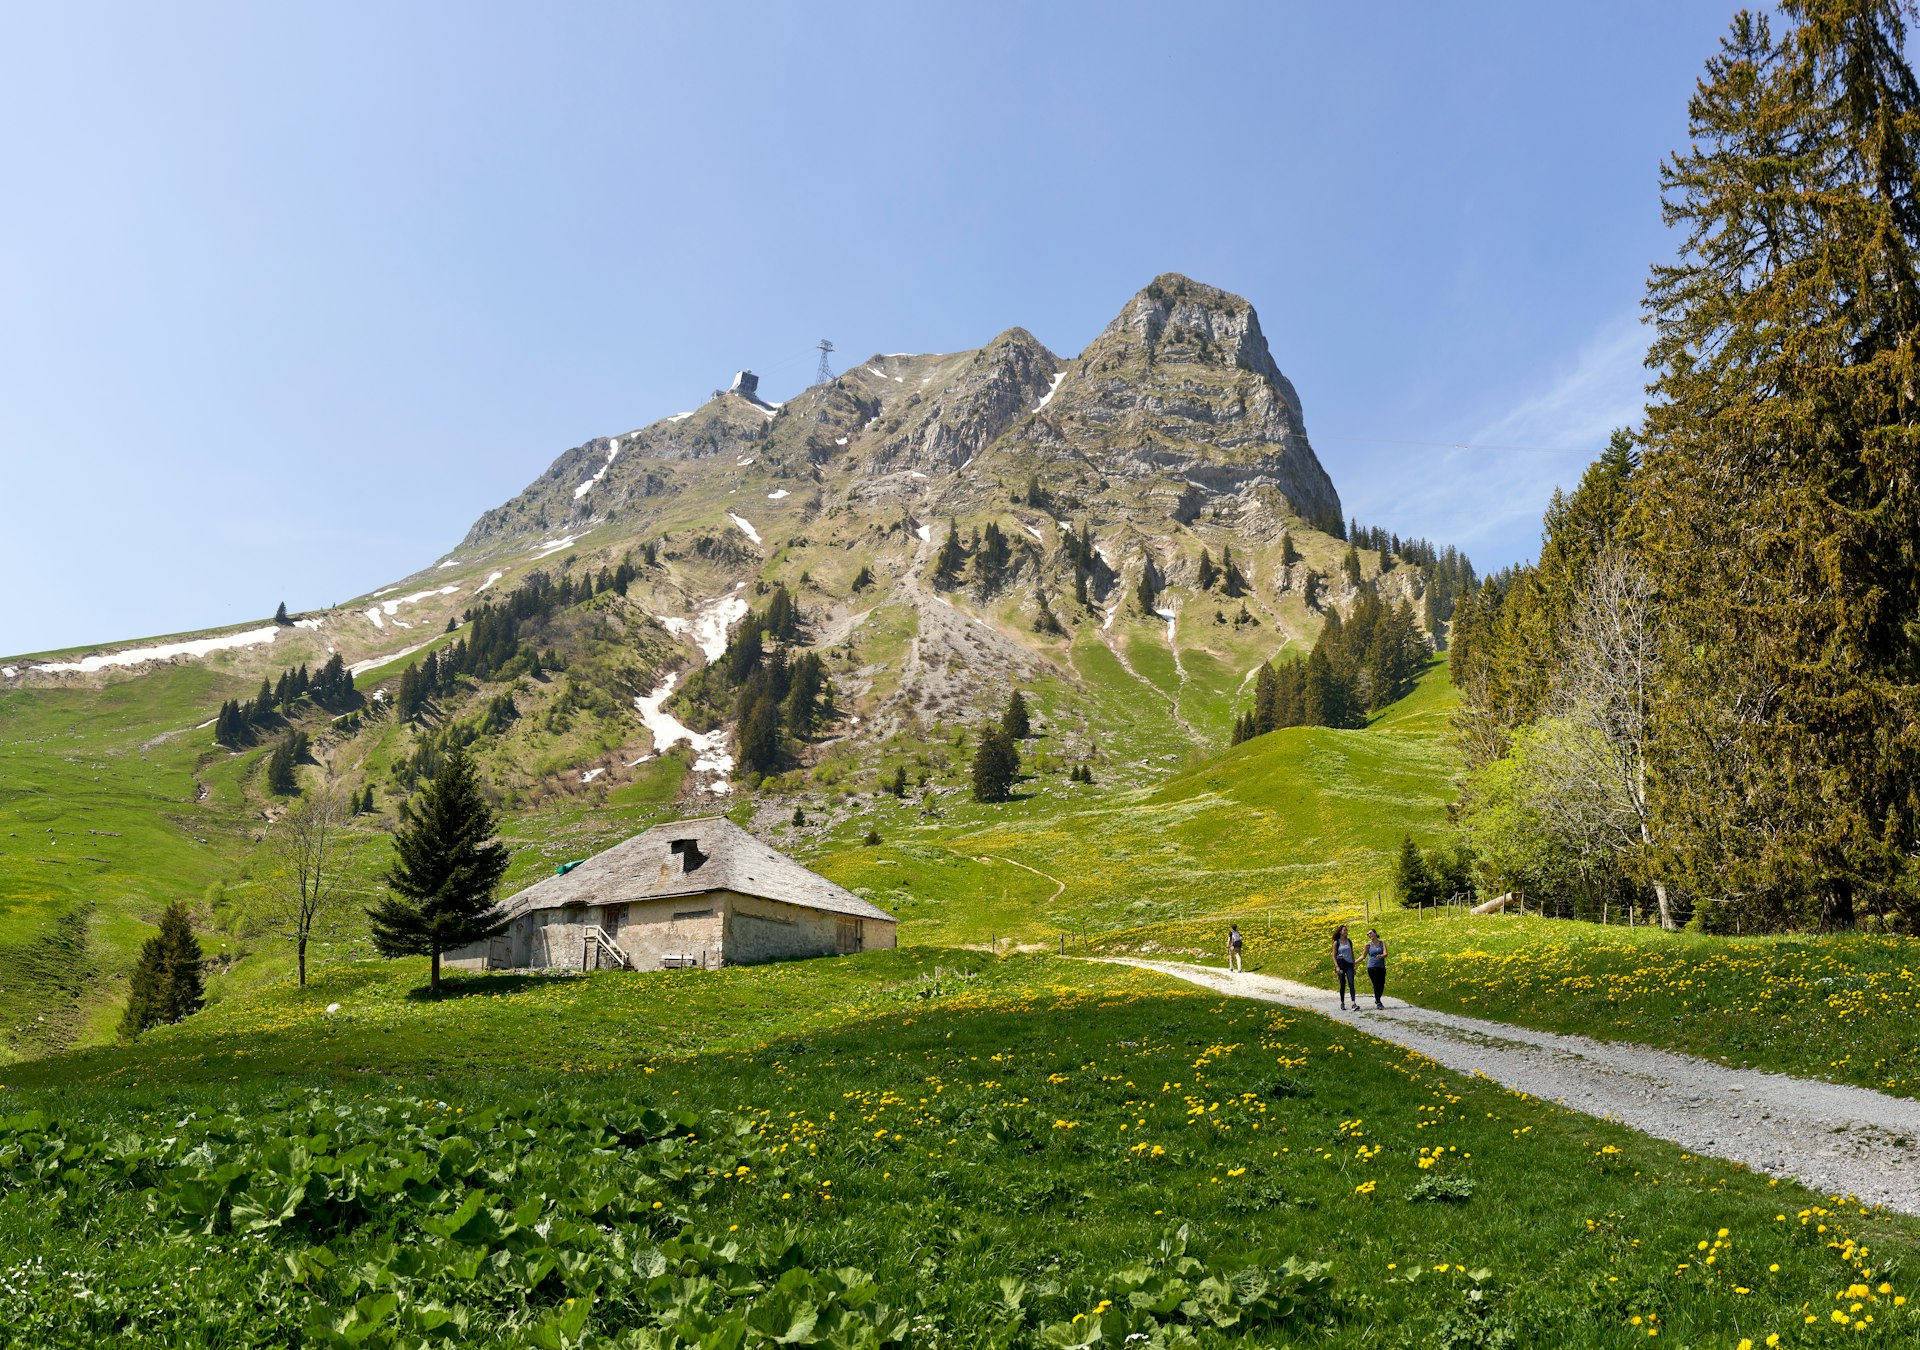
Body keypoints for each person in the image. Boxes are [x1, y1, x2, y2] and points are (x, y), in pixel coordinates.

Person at [1332, 924, 1357, 1010]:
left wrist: (1354, 966)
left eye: (1346, 930)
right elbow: (1333, 956)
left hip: (1349, 964)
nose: (1346, 932)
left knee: (1351, 983)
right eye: (1344, 930)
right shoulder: (1336, 943)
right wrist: (1337, 966)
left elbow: (1352, 953)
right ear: (1340, 932)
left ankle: (1353, 1003)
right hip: (1341, 964)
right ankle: (1342, 1002)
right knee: (1342, 984)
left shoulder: (1349, 941)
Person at [1364, 928, 1387, 1009]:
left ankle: (1377, 999)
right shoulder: (1368, 945)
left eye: (1370, 933)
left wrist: (1381, 956)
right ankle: (1378, 1002)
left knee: (1381, 984)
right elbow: (1363, 956)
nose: (1369, 935)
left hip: (1381, 966)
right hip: (1372, 967)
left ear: (1375, 933)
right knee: (1376, 984)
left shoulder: (1382, 942)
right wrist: (1353, 962)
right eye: (1368, 934)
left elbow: (1386, 954)